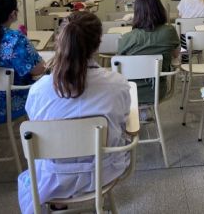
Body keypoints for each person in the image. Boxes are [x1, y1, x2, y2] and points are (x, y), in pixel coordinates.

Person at [18, 12, 131, 214]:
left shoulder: (39, 90)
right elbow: (122, 123)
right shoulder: (117, 84)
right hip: (103, 171)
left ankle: (59, 202)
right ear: (98, 44)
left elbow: (36, 123)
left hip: (53, 177)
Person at [118, 0, 180, 105]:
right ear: (159, 9)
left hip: (128, 92)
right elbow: (176, 55)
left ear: (137, 12)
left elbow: (120, 63)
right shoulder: (169, 31)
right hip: (157, 91)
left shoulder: (126, 38)